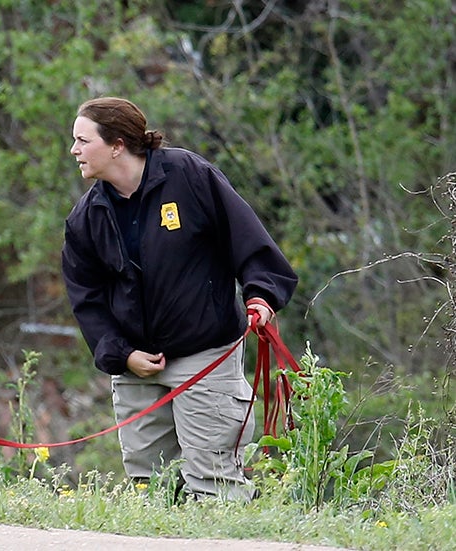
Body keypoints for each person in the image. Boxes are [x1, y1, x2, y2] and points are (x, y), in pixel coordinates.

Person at [61, 97, 297, 501]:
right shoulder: (86, 218)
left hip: (206, 357)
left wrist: (261, 296)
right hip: (137, 371)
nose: (74, 150)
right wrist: (121, 354)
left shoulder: (189, 176)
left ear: (117, 144)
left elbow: (248, 240)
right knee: (153, 493)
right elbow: (88, 301)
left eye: (83, 140)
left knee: (214, 490)